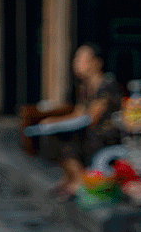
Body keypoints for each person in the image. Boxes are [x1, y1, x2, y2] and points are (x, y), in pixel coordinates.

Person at [39, 43, 123, 199]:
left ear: (97, 63)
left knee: (69, 140)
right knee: (53, 136)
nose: (76, 63)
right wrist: (54, 122)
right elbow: (78, 113)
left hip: (106, 136)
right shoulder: (85, 87)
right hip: (90, 133)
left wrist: (62, 123)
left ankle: (79, 181)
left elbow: (92, 117)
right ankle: (72, 177)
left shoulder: (107, 85)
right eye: (76, 58)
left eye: (82, 59)